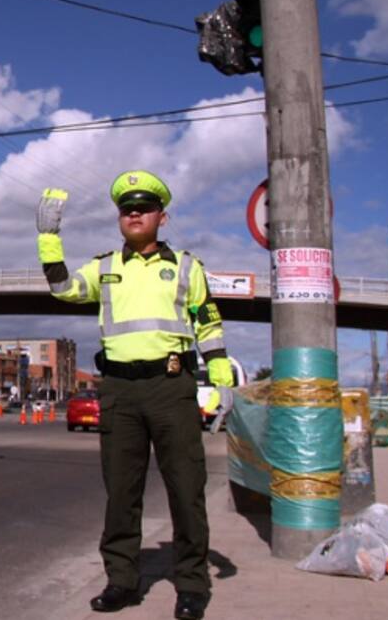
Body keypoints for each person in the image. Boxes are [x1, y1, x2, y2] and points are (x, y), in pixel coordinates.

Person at [36, 170, 232, 620]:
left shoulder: (185, 266)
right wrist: (49, 238)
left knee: (186, 488)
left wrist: (220, 375)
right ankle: (122, 582)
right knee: (121, 493)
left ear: (162, 216)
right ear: (120, 218)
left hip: (171, 387)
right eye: (127, 209)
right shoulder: (103, 267)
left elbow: (208, 322)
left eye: (143, 208)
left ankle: (191, 585)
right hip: (120, 391)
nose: (134, 214)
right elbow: (63, 289)